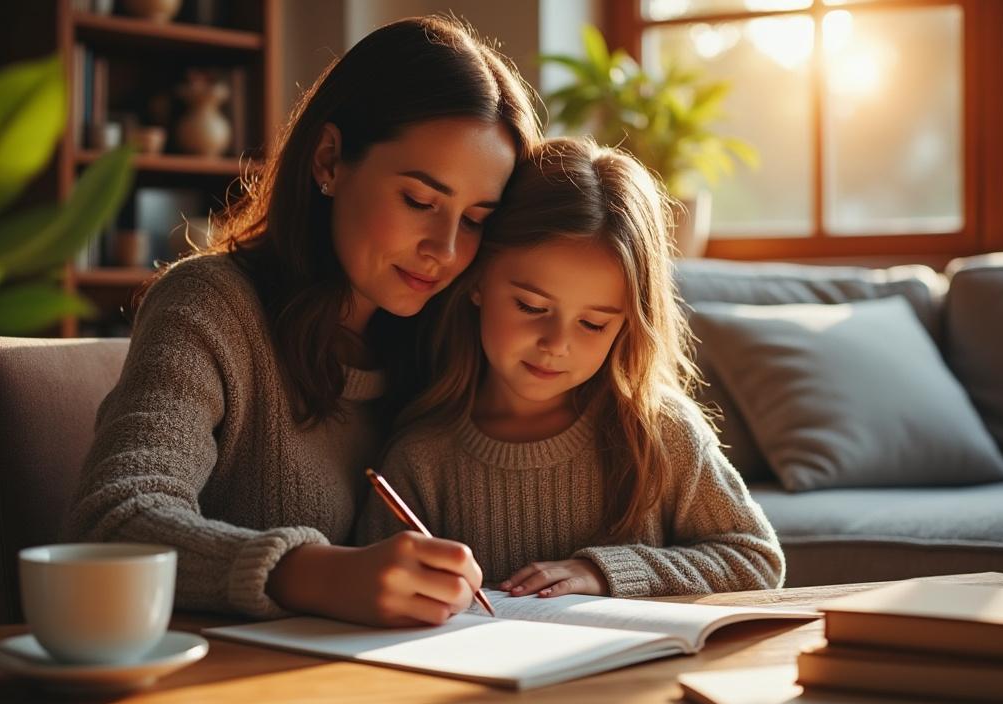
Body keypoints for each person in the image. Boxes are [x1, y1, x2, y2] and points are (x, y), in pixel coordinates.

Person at [64, 16, 542, 627]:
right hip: (220, 697)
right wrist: (311, 572)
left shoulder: (456, 339)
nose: (445, 249)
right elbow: (111, 524)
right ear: (329, 160)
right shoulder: (210, 307)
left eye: (475, 218)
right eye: (420, 202)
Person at [357, 137, 784, 599]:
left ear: (627, 325)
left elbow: (756, 559)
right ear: (477, 281)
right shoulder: (422, 457)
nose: (556, 344)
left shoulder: (659, 433)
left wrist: (605, 573)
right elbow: (374, 595)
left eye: (593, 324)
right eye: (530, 306)